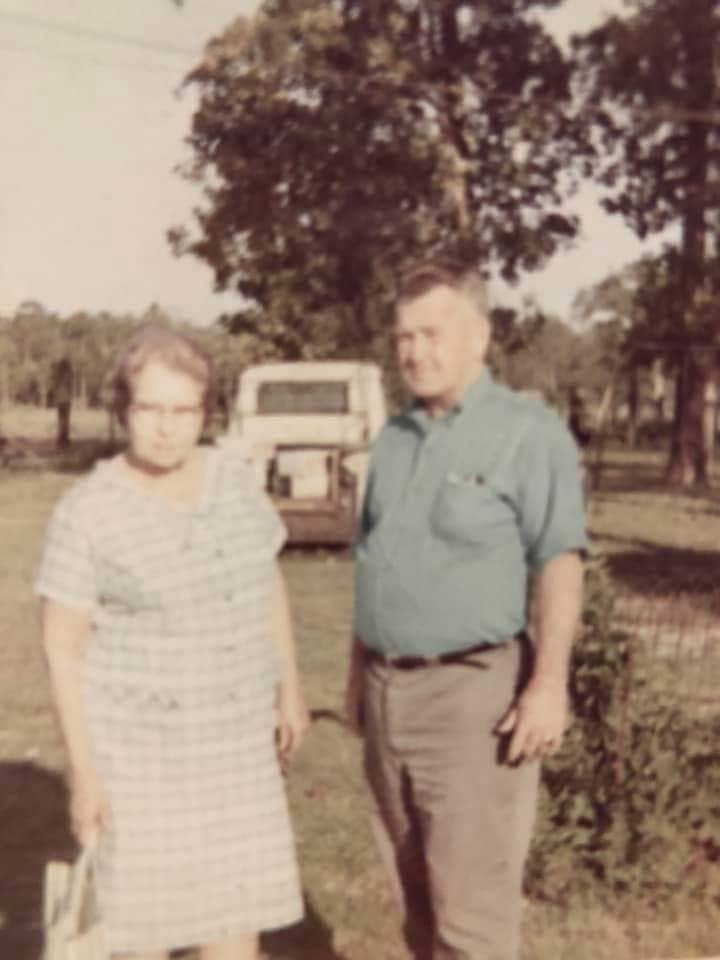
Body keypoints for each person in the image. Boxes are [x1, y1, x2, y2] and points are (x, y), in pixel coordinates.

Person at [36, 327, 309, 960]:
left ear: (205, 414)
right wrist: (83, 773)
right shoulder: (90, 510)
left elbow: (265, 579)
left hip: (236, 754)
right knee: (142, 941)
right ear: (123, 410)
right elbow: (62, 649)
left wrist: (289, 687)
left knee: (234, 938)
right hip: (141, 766)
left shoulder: (234, 481)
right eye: (150, 409)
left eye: (184, 410)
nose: (167, 427)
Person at [345, 260, 587, 960]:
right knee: (413, 899)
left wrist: (548, 685)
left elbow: (559, 559)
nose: (415, 352)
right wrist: (359, 670)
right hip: (388, 698)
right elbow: (373, 558)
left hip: (473, 699)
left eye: (432, 333)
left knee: (471, 916)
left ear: (479, 337)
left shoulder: (526, 431)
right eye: (403, 338)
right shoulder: (391, 441)